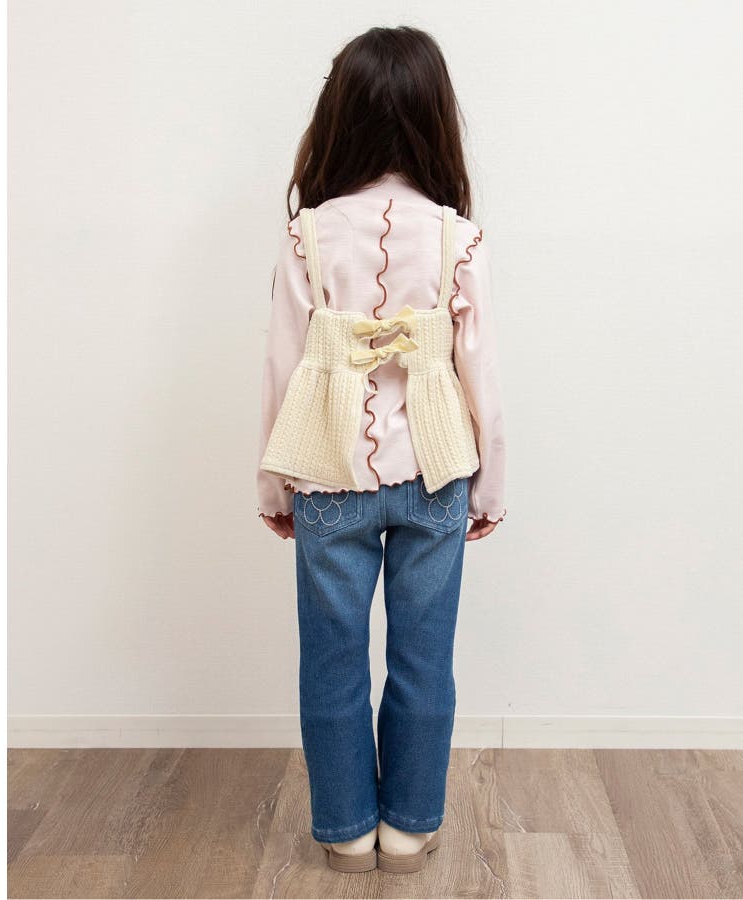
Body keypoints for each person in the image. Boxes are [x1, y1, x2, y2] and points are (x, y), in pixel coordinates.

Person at [255, 25, 506, 874]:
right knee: (424, 660)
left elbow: (283, 365)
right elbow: (481, 373)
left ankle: (344, 831)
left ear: (339, 117)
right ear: (436, 118)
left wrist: (274, 484)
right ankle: (407, 829)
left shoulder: (309, 235)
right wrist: (490, 485)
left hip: (328, 472)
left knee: (331, 662)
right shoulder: (458, 237)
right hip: (437, 474)